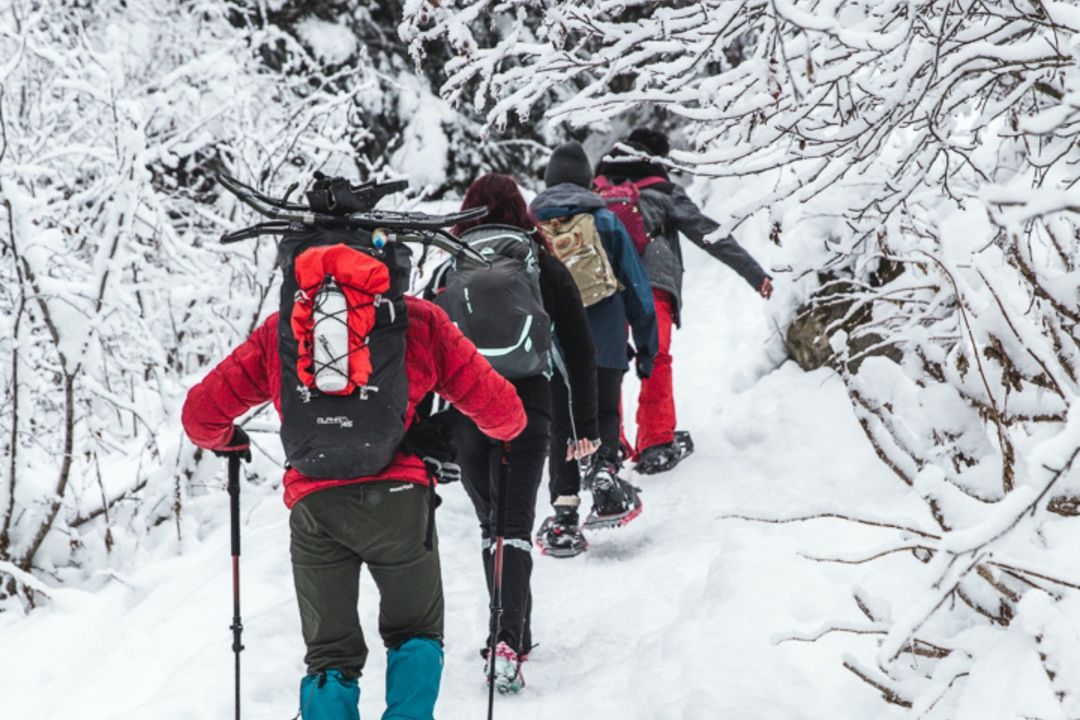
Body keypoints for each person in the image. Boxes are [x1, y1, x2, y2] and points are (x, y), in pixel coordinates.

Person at [182, 291, 526, 719]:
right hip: (399, 503)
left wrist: (228, 440)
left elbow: (200, 417)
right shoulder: (417, 320)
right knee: (416, 632)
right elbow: (507, 415)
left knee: (328, 654)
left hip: (316, 503)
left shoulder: (284, 328)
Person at [426, 173, 600, 692]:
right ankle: (509, 639)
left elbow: (424, 345)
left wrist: (425, 427)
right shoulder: (538, 260)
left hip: (468, 403)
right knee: (517, 524)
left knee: (491, 525)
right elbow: (580, 345)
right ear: (519, 209)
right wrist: (585, 425)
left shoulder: (448, 264)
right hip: (529, 399)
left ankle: (506, 634)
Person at [595, 128, 773, 474]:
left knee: (607, 364)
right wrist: (755, 274)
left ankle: (608, 445)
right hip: (652, 285)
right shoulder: (663, 191)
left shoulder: (597, 191)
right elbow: (709, 233)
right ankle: (655, 444)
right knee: (656, 358)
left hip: (605, 287)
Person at [529, 141, 659, 542]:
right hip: (603, 337)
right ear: (588, 181)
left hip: (553, 345)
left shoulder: (531, 225)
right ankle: (603, 473)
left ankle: (564, 514)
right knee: (603, 410)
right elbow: (636, 287)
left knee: (560, 425)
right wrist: (647, 347)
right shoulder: (604, 220)